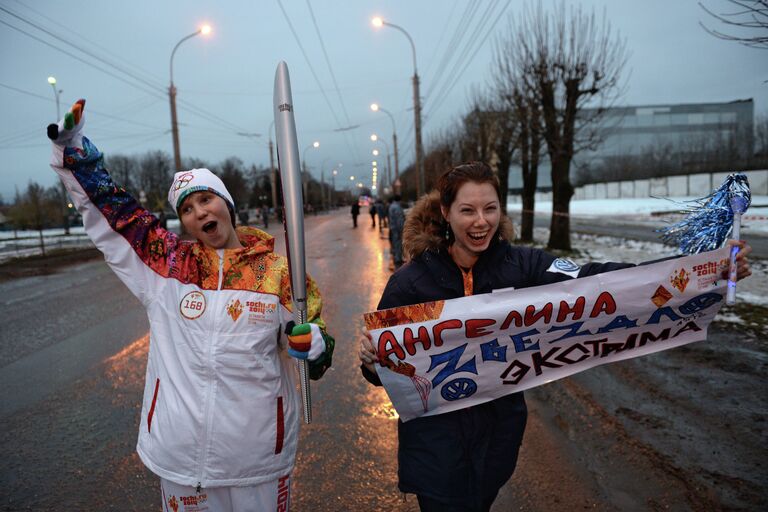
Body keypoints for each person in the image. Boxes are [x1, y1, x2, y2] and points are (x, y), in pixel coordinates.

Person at [358, 162, 751, 511]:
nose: (481, 221)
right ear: (445, 212)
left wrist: (704, 273)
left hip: (498, 436)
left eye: (490, 208)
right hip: (435, 447)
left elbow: (598, 281)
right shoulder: (410, 282)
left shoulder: (524, 265)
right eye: (467, 210)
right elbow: (382, 372)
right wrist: (372, 361)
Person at [48, 99, 335, 512]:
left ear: (226, 204)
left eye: (206, 200)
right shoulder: (167, 265)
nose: (200, 212)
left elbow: (316, 340)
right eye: (187, 208)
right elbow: (117, 218)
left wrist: (312, 345)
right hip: (180, 459)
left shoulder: (280, 275)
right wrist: (76, 153)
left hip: (256, 460)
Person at [388, 194, 405, 270]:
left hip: (392, 228)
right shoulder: (397, 207)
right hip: (397, 230)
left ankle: (396, 257)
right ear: (400, 200)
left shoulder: (392, 206)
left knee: (395, 244)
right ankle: (398, 260)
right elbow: (399, 220)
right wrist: (402, 230)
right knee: (398, 244)